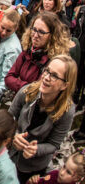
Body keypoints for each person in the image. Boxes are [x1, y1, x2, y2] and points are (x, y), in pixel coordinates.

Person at [8, 55, 77, 184]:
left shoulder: (66, 111)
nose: (46, 78)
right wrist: (13, 135)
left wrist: (37, 150)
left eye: (54, 76)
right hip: (9, 156)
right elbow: (8, 117)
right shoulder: (27, 91)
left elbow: (54, 144)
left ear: (64, 85)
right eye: (47, 71)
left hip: (31, 169)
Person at [5, 12, 70, 93]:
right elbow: (8, 78)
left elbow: (38, 90)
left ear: (52, 35)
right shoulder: (28, 51)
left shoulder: (55, 62)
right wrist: (26, 86)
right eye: (34, 29)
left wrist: (18, 84)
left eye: (41, 32)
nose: (35, 35)